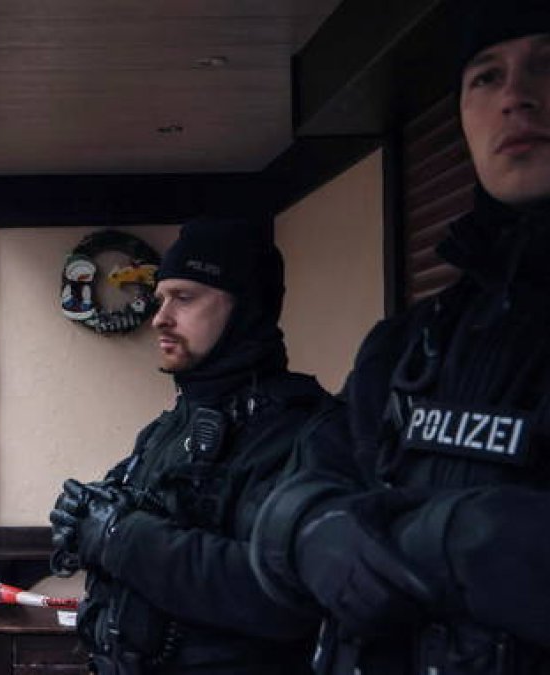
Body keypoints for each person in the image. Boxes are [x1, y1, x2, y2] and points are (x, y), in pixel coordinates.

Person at [249, 2, 550, 673]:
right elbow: (301, 487)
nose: (515, 97)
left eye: (545, 64)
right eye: (485, 77)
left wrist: (455, 538)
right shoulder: (412, 344)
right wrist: (308, 528)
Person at [49, 217, 332, 674]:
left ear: (246, 307)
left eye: (185, 297)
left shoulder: (305, 432)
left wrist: (119, 536)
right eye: (161, 297)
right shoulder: (171, 426)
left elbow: (284, 595)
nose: (160, 317)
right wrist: (85, 518)